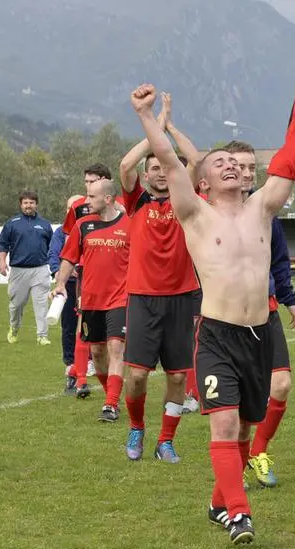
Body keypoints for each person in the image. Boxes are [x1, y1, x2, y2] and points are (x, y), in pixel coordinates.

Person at [131, 80, 295, 544]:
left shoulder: (262, 209)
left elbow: (294, 154)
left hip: (260, 335)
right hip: (217, 334)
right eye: (219, 162)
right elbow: (166, 160)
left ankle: (219, 502)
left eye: (235, 164)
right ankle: (239, 514)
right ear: (202, 181)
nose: (231, 167)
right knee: (222, 421)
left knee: (243, 427)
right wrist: (145, 115)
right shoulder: (195, 213)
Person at [118, 91, 202, 463]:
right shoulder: (135, 200)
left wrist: (169, 126)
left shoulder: (187, 201)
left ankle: (165, 440)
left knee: (179, 380)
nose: (158, 173)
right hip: (142, 297)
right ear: (148, 173)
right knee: (135, 376)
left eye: (164, 167)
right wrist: (154, 128)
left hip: (183, 297)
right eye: (153, 168)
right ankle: (136, 428)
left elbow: (196, 160)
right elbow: (124, 164)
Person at [221, 140, 295, 488]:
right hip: (226, 321)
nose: (246, 172)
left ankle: (259, 451)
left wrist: (289, 300)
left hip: (265, 312)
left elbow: (280, 260)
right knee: (240, 411)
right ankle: (235, 471)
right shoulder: (210, 213)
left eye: (252, 167)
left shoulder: (266, 213)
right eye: (239, 166)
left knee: (282, 384)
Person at [53, 179, 130, 422]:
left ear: (107, 199)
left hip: (121, 299)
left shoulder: (129, 225)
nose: (86, 202)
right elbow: (68, 259)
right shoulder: (82, 225)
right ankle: (112, 396)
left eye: (91, 197)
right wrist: (60, 284)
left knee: (116, 347)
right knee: (97, 353)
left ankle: (111, 405)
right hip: (91, 301)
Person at [0, 191, 53, 345]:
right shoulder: (12, 223)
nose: (29, 205)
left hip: (40, 269)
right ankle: (14, 329)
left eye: (32, 202)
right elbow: (2, 243)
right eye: (26, 203)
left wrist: (55, 266)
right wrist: (2, 262)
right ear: (21, 204)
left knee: (41, 303)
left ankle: (42, 335)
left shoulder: (45, 224)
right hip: (19, 271)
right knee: (17, 305)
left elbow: (52, 247)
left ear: (36, 204)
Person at [50, 195, 86, 394]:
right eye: (69, 208)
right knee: (70, 326)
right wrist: (60, 272)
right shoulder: (60, 233)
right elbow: (54, 255)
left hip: (90, 284)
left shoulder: (92, 227)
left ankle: (86, 368)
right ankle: (71, 368)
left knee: (91, 329)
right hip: (69, 286)